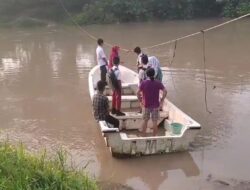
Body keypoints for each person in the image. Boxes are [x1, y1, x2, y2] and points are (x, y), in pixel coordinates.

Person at [137, 68, 167, 136]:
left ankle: (143, 136)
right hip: (155, 106)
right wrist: (162, 100)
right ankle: (154, 137)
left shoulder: (143, 83)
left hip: (146, 105)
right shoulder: (158, 83)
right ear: (154, 74)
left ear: (146, 74)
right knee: (155, 122)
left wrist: (140, 101)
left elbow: (137, 93)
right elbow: (165, 91)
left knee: (145, 121)